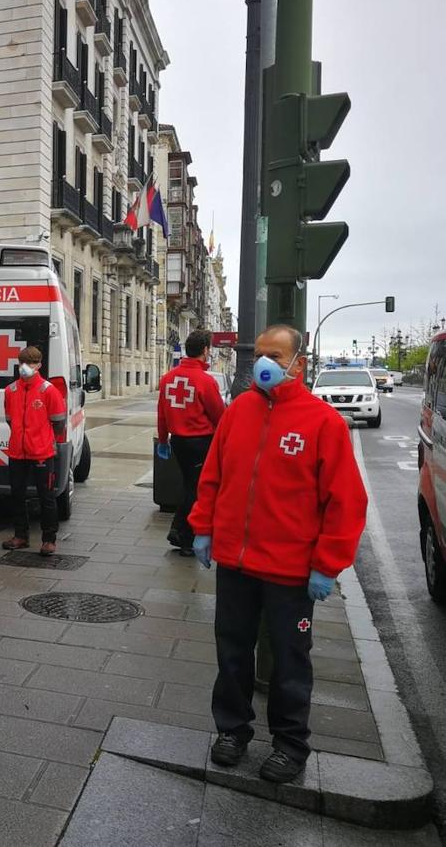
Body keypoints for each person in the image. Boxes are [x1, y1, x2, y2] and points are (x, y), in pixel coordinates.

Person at [188, 325, 367, 784]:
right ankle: (232, 730)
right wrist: (203, 528)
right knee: (231, 651)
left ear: (297, 364)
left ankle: (290, 746)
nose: (263, 363)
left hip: (290, 572)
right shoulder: (238, 412)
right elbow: (214, 475)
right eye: (260, 354)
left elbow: (346, 502)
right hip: (235, 563)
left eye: (274, 354)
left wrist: (327, 565)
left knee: (290, 660)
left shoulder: (322, 422)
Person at [156, 330, 225, 556]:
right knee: (196, 489)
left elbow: (162, 413)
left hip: (178, 442)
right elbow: (219, 415)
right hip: (200, 442)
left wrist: (163, 439)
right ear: (205, 350)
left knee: (189, 485)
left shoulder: (167, 378)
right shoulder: (205, 381)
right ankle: (183, 535)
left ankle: (180, 531)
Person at [1, 347, 67, 555]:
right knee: (17, 495)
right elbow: (10, 419)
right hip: (17, 453)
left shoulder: (49, 391)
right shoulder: (11, 390)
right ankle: (21, 536)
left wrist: (42, 439)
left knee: (46, 497)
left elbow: (58, 422)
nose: (25, 367)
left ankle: (49, 539)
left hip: (42, 453)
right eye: (22, 362)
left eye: (30, 363)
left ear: (39, 365)